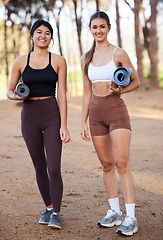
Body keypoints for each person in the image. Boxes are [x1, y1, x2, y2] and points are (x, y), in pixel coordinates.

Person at [81, 11, 140, 236]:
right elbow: (87, 93)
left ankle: (131, 217)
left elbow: (136, 81)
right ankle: (114, 212)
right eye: (94, 27)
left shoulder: (119, 53)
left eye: (102, 26)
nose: (98, 31)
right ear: (90, 29)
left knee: (122, 163)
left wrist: (121, 89)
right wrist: (83, 121)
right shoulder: (86, 57)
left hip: (116, 110)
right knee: (106, 165)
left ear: (109, 28)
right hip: (96, 114)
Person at [7, 19, 70, 229]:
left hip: (52, 114)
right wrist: (15, 97)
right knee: (39, 166)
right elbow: (10, 89)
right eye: (39, 32)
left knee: (54, 167)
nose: (43, 36)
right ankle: (49, 206)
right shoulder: (20, 61)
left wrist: (64, 125)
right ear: (32, 35)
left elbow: (61, 93)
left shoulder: (59, 61)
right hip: (29, 116)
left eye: (48, 33)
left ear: (51, 38)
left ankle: (57, 214)